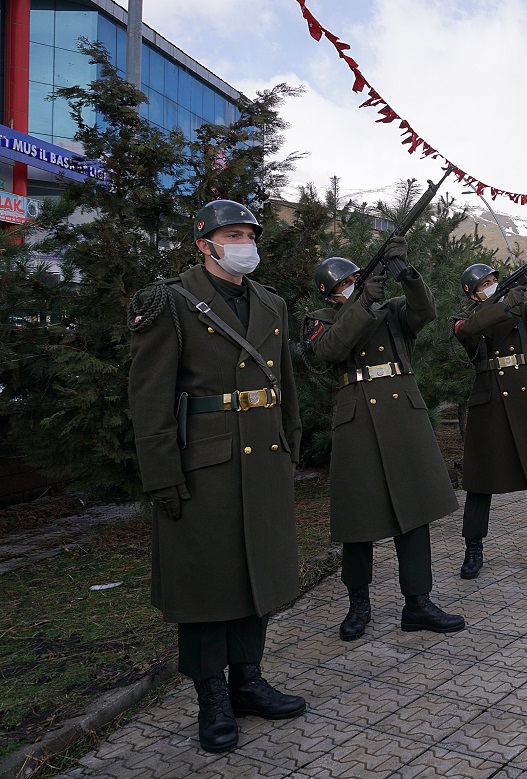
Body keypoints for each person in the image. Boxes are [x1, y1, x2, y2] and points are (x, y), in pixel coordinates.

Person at [127, 200, 306, 753]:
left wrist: (289, 447)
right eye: (232, 234)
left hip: (263, 460)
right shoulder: (172, 302)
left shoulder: (270, 303)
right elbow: (149, 396)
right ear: (205, 243)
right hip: (204, 464)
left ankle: (248, 683)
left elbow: (287, 388)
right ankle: (213, 700)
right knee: (207, 584)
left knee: (256, 575)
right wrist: (161, 474)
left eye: (249, 234)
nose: (244, 243)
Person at [304, 243, 465, 643]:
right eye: (345, 283)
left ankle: (418, 603)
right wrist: (360, 304)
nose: (354, 285)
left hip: (401, 411)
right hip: (357, 416)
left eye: (356, 278)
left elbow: (425, 311)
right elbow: (331, 349)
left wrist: (407, 272)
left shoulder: (392, 309)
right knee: (359, 519)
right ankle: (358, 603)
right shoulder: (319, 319)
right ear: (330, 293)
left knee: (414, 511)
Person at [451, 262, 527, 581]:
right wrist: (502, 305)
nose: (492, 284)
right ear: (473, 293)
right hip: (490, 401)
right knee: (479, 482)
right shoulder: (464, 318)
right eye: (486, 283)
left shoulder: (522, 313)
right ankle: (473, 549)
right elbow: (468, 332)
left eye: (494, 280)